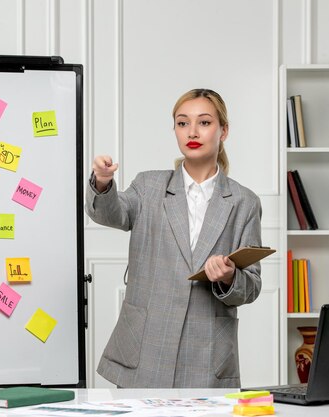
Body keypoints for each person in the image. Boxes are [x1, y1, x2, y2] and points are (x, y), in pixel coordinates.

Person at [86, 88, 263, 388]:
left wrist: (230, 277)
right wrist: (103, 184)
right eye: (183, 123)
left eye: (204, 122)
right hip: (146, 348)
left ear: (224, 131)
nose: (192, 131)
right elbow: (113, 213)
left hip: (207, 354)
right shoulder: (148, 186)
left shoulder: (244, 202)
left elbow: (252, 286)